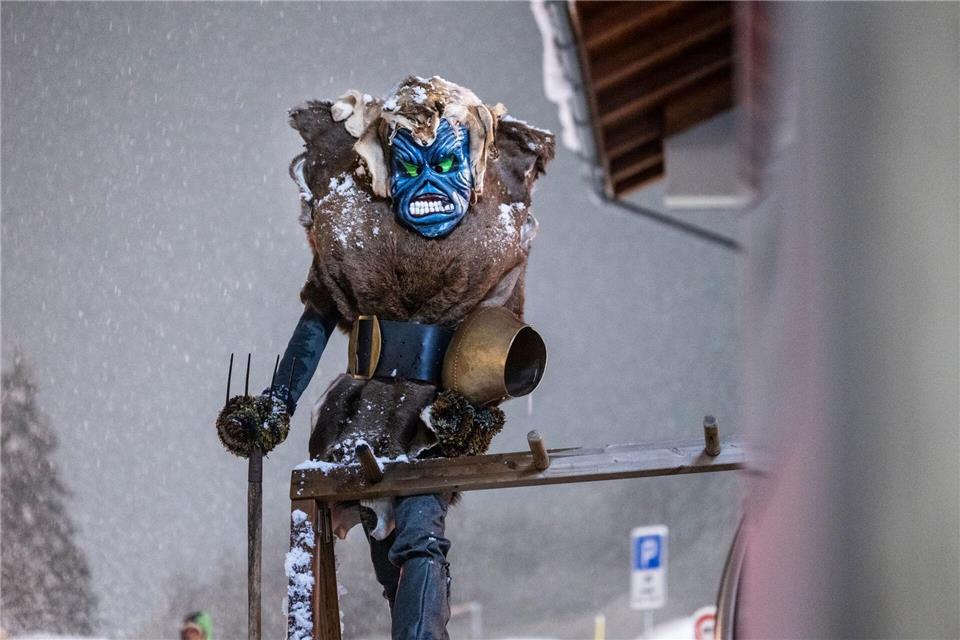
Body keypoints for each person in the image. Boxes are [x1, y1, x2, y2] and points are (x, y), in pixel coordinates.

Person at [217, 76, 554, 639]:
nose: (426, 183)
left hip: (431, 421)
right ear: (384, 168)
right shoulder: (357, 242)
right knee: (389, 551)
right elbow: (316, 322)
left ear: (471, 168)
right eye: (410, 165)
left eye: (444, 165)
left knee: (421, 531)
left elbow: (498, 352)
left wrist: (472, 414)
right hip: (361, 414)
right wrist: (278, 404)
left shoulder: (488, 251)